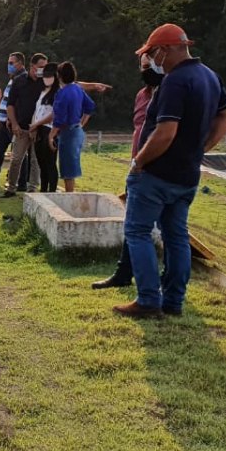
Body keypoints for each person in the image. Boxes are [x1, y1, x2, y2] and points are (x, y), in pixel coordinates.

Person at [114, 24, 226, 319]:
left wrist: (139, 162)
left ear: (165, 49)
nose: (152, 60)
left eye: (152, 53)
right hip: (187, 174)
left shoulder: (175, 81)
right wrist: (201, 148)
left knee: (138, 231)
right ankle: (173, 301)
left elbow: (165, 132)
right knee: (176, 235)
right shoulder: (209, 76)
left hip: (157, 174)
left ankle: (147, 300)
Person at [93, 54, 163, 290]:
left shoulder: (171, 92)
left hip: (160, 169)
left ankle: (165, 280)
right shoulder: (142, 95)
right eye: (142, 66)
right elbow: (138, 130)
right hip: (137, 166)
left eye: (148, 66)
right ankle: (124, 273)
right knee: (132, 225)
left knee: (168, 228)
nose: (145, 70)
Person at [2, 53, 48, 197]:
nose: (43, 70)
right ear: (32, 66)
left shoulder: (46, 82)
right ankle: (11, 188)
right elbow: (10, 105)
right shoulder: (19, 81)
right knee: (16, 159)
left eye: (45, 67)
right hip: (21, 127)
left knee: (35, 160)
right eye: (41, 67)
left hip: (38, 128)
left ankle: (32, 189)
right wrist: (14, 124)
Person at [49, 61, 95, 192]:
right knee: (71, 167)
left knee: (67, 170)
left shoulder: (62, 93)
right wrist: (82, 122)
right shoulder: (77, 88)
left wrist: (51, 135)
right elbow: (90, 106)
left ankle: (70, 196)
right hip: (77, 131)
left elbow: (59, 118)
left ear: (59, 76)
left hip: (67, 132)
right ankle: (70, 193)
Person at [0, 52, 25, 183]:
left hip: (11, 122)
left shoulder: (22, 79)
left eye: (11, 63)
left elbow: (17, 102)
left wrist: (12, 119)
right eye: (8, 63)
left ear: (20, 63)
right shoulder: (12, 78)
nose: (9, 66)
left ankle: (20, 181)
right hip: (4, 122)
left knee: (18, 154)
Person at [30, 63, 60, 192]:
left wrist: (36, 124)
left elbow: (54, 114)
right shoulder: (42, 92)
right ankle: (43, 189)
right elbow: (37, 111)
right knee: (41, 162)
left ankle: (52, 190)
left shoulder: (58, 93)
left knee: (50, 163)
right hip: (39, 130)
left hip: (50, 129)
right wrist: (34, 126)